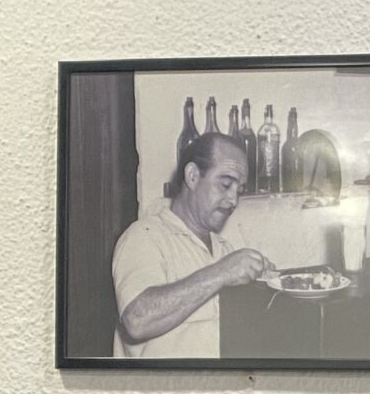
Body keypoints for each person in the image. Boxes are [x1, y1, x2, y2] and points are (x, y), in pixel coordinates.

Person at [111, 131, 278, 359]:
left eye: (239, 190)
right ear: (192, 176)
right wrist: (222, 272)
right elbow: (137, 321)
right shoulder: (144, 236)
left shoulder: (224, 249)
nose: (234, 201)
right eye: (225, 184)